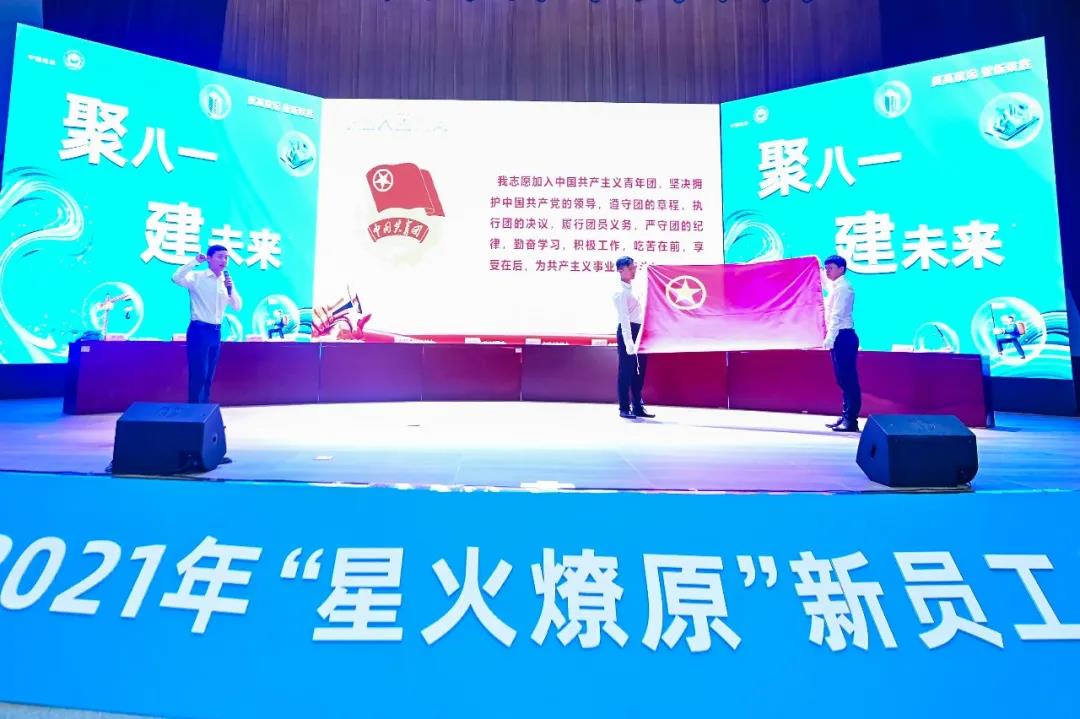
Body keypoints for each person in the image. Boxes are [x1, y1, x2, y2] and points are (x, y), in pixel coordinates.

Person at [172, 245, 241, 403]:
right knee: (199, 375)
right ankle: (193, 412)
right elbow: (176, 278)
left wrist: (230, 290)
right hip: (199, 331)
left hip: (216, 332)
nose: (224, 260)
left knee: (209, 376)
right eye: (220, 256)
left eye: (226, 257)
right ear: (209, 258)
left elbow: (237, 306)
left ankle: (205, 412)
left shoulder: (226, 282)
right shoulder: (197, 277)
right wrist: (194, 261)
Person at [822, 255, 861, 433]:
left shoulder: (844, 288)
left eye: (830, 268)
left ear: (841, 269)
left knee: (848, 379)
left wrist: (830, 338)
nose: (827, 271)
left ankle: (851, 420)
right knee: (842, 379)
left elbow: (836, 316)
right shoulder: (835, 287)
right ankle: (845, 415)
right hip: (839, 337)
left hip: (843, 337)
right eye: (826, 268)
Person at [613, 256, 653, 419]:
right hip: (627, 331)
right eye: (630, 268)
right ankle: (624, 408)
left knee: (640, 371)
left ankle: (637, 406)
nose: (634, 271)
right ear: (620, 270)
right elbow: (624, 319)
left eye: (634, 267)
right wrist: (629, 342)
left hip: (640, 331)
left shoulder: (634, 289)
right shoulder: (619, 292)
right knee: (626, 371)